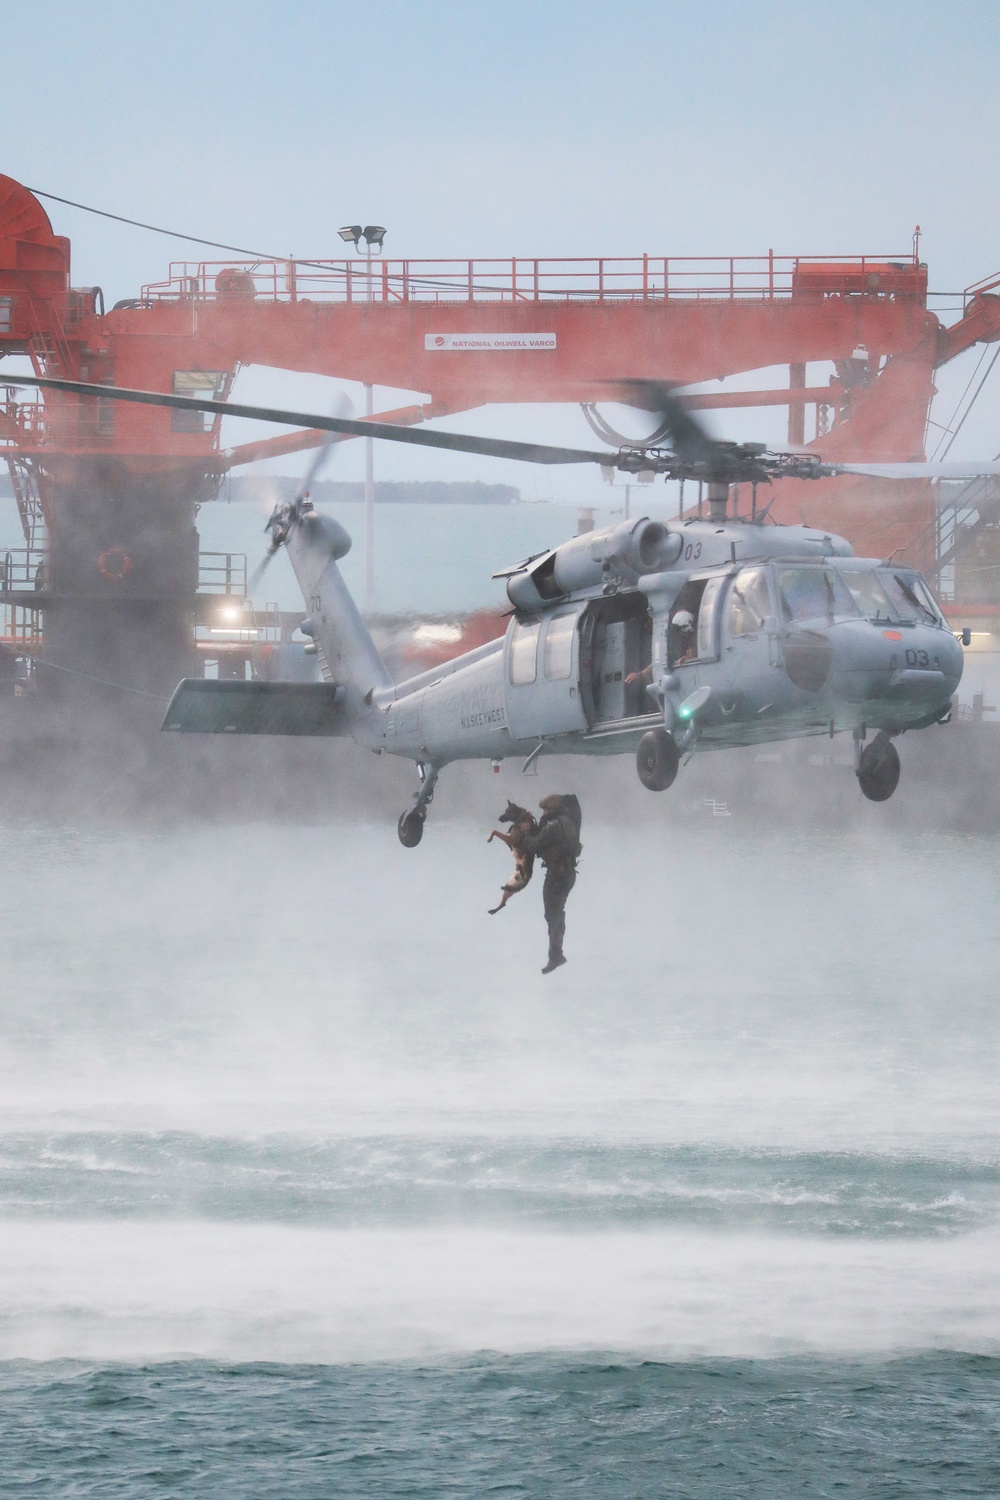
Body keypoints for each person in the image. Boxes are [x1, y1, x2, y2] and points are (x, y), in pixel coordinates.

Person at [525, 793, 582, 974]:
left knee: (552, 914)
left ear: (552, 809)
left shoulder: (553, 827)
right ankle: (556, 953)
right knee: (556, 912)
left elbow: (532, 845)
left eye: (545, 809)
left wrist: (526, 832)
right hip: (568, 874)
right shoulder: (567, 822)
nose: (543, 813)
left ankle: (555, 955)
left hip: (556, 875)